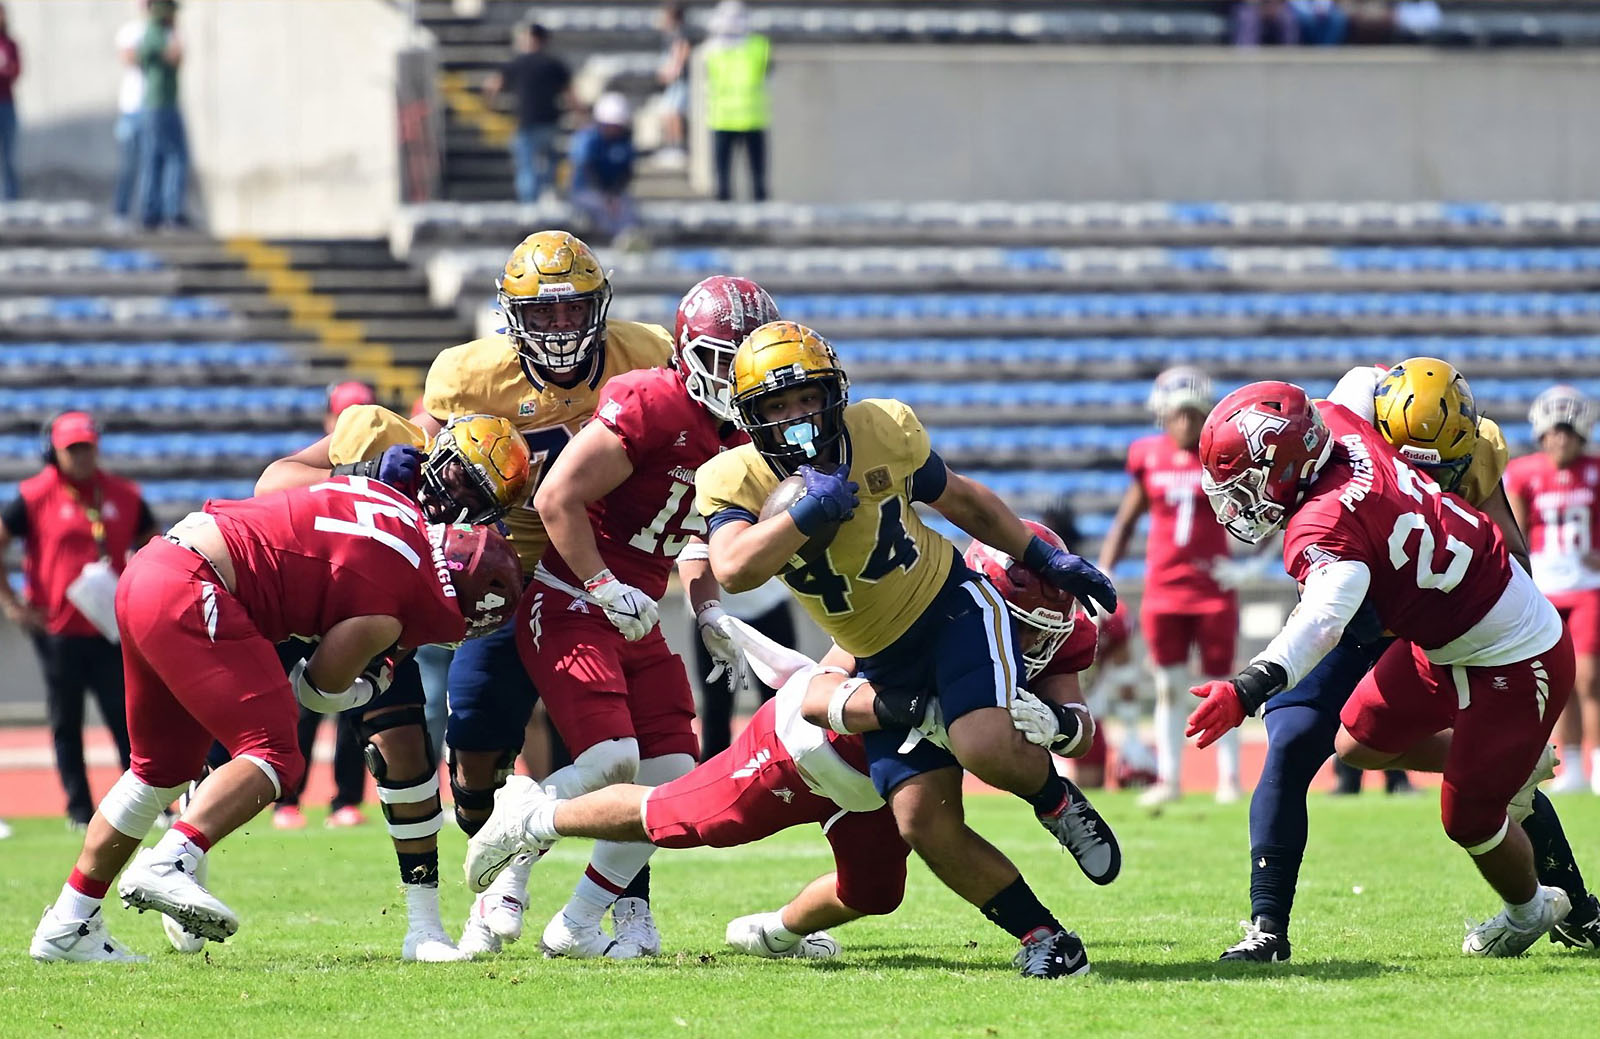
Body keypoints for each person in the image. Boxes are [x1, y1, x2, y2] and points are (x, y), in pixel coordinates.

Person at [694, 320, 1122, 978]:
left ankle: (1056, 802)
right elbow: (732, 567)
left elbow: (962, 499)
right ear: (750, 418)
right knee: (922, 822)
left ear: (832, 393)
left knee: (981, 740)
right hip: (876, 654)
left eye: (805, 398)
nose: (794, 417)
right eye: (775, 407)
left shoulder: (880, 427)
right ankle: (1042, 935)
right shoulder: (735, 475)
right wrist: (805, 513)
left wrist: (1042, 555)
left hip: (948, 607)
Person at [468, 535, 1112, 964]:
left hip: (875, 779)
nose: (1030, 642)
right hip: (808, 753)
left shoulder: (1064, 633)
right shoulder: (913, 616)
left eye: (1041, 629)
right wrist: (918, 708)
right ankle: (532, 815)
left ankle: (775, 934)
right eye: (1018, 623)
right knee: (682, 819)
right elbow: (817, 695)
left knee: (876, 891)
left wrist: (1055, 725)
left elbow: (1082, 723)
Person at [27, 481, 521, 962]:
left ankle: (69, 922)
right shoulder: (390, 609)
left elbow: (278, 479)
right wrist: (370, 685)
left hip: (154, 567)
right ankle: (171, 859)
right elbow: (319, 690)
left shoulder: (395, 504)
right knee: (275, 751)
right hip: (198, 585)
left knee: (158, 771)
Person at [1207, 359, 1600, 961]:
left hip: (1501, 648)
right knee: (1351, 744)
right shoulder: (1344, 421)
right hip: (1429, 633)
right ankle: (1268, 926)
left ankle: (1541, 906)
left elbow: (1322, 619)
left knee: (1469, 813)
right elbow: (1364, 380)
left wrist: (1247, 686)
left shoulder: (1333, 507)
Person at [484, 275, 775, 961]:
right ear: (687, 353)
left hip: (635, 611)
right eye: (722, 360)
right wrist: (602, 582)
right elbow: (558, 497)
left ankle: (579, 922)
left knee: (672, 779)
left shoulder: (740, 434)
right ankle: (516, 841)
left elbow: (703, 533)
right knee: (615, 759)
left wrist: (707, 613)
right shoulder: (653, 400)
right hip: (573, 598)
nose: (736, 379)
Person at [413, 229, 675, 952]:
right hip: (506, 579)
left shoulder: (645, 352)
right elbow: (426, 469)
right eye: (543, 312)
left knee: (617, 748)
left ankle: (626, 907)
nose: (560, 326)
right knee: (471, 753)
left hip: (601, 581)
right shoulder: (469, 375)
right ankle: (497, 881)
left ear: (600, 306)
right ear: (511, 314)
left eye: (572, 310)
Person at [253, 407, 530, 960]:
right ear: (441, 452)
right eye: (458, 477)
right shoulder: (382, 435)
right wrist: (355, 474)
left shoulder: (473, 536)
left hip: (378, 619)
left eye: (477, 499)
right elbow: (271, 483)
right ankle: (180, 857)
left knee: (403, 753)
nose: (458, 500)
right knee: (234, 748)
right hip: (296, 597)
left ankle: (423, 926)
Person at [1, 412, 157, 829]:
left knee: (125, 720)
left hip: (110, 628)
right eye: (72, 449)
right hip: (58, 630)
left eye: (87, 447)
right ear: (53, 451)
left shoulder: (123, 494)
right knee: (66, 721)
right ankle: (78, 810)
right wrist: (12, 603)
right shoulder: (34, 495)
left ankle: (139, 806)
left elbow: (154, 545)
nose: (82, 456)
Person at [1097, 367, 1240, 806]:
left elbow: (1265, 508)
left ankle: (1230, 780)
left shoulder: (1221, 456)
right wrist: (1104, 572)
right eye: (1178, 414)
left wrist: (1253, 564)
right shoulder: (1148, 455)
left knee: (1224, 684)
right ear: (1163, 414)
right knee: (1166, 685)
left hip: (1212, 588)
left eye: (1194, 414)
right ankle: (1170, 779)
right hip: (1163, 588)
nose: (1186, 423)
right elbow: (1126, 520)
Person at [274, 382, 383, 831]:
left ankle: (346, 800)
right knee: (302, 704)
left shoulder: (388, 471)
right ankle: (288, 799)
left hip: (358, 601)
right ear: (327, 422)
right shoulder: (306, 467)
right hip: (312, 601)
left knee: (354, 705)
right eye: (343, 415)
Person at [1505, 385, 1600, 796]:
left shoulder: (1595, 470)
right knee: (1557, 682)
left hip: (1587, 588)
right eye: (1553, 432)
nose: (1560, 439)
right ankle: (1572, 766)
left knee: (1590, 680)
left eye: (1567, 431)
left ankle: (1597, 764)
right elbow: (1515, 533)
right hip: (1543, 588)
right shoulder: (1524, 472)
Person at [1041, 499, 1152, 790]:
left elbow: (1125, 673)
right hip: (1032, 704)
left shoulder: (1103, 611)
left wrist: (1130, 736)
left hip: (1082, 708)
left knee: (1087, 787)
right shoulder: (1018, 596)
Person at [692, 578, 793, 758]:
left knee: (781, 700)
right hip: (712, 614)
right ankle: (714, 773)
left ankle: (786, 763)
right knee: (716, 704)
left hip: (768, 604)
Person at [485, 20, 571, 204]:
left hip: (526, 122)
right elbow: (570, 95)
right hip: (550, 122)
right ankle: (548, 197)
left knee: (526, 167)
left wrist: (492, 106)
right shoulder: (554, 64)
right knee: (549, 164)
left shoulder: (516, 63)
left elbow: (492, 86)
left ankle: (529, 204)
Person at [704, 0, 770, 202]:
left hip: (747, 120)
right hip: (725, 120)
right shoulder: (713, 49)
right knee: (723, 182)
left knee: (757, 181)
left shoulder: (758, 46)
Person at [136, 0, 188, 229]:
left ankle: (153, 211)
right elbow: (175, 55)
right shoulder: (157, 32)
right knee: (175, 157)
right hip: (161, 104)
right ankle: (170, 210)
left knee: (154, 157)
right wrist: (175, 33)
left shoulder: (155, 32)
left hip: (157, 104)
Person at [569, 93, 638, 244]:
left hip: (613, 192)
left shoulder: (624, 141)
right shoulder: (589, 138)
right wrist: (606, 196)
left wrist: (614, 193)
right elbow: (587, 169)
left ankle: (627, 241)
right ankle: (611, 242)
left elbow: (626, 172)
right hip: (586, 190)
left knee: (626, 206)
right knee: (601, 207)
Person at [112, 1, 150, 220]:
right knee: (127, 164)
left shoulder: (164, 31)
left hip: (153, 109)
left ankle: (146, 214)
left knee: (149, 167)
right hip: (131, 108)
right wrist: (153, 53)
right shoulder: (131, 30)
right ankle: (121, 212)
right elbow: (127, 57)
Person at [655, 2, 691, 160]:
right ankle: (671, 145)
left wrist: (672, 72)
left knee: (674, 114)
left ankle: (678, 147)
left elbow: (683, 52)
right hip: (673, 83)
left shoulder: (680, 34)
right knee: (666, 114)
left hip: (679, 81)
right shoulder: (669, 35)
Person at [0, 2, 21, 200]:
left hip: (6, 103)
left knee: (9, 155)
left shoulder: (10, 44)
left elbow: (15, 71)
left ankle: (11, 198)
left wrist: (6, 71)